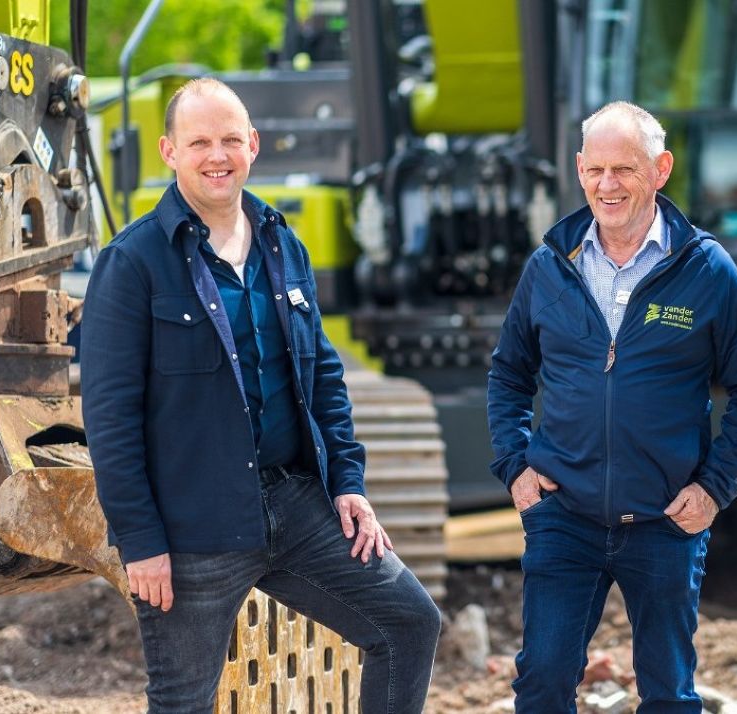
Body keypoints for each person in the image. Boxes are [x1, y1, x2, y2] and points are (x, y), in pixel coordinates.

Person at [80, 78, 440, 713]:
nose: (216, 156)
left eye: (229, 140)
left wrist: (348, 483)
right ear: (169, 151)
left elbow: (322, 376)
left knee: (409, 623)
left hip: (295, 504)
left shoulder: (282, 243)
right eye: (199, 143)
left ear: (253, 144)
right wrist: (141, 541)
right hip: (193, 528)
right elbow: (110, 418)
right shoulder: (133, 262)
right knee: (183, 701)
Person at [487, 101, 737, 712]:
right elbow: (509, 373)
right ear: (579, 170)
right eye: (595, 170)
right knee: (542, 681)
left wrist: (714, 488)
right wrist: (516, 467)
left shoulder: (706, 269)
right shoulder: (550, 266)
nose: (607, 185)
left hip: (665, 521)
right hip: (564, 515)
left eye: (624, 169)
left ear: (661, 169)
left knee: (668, 693)